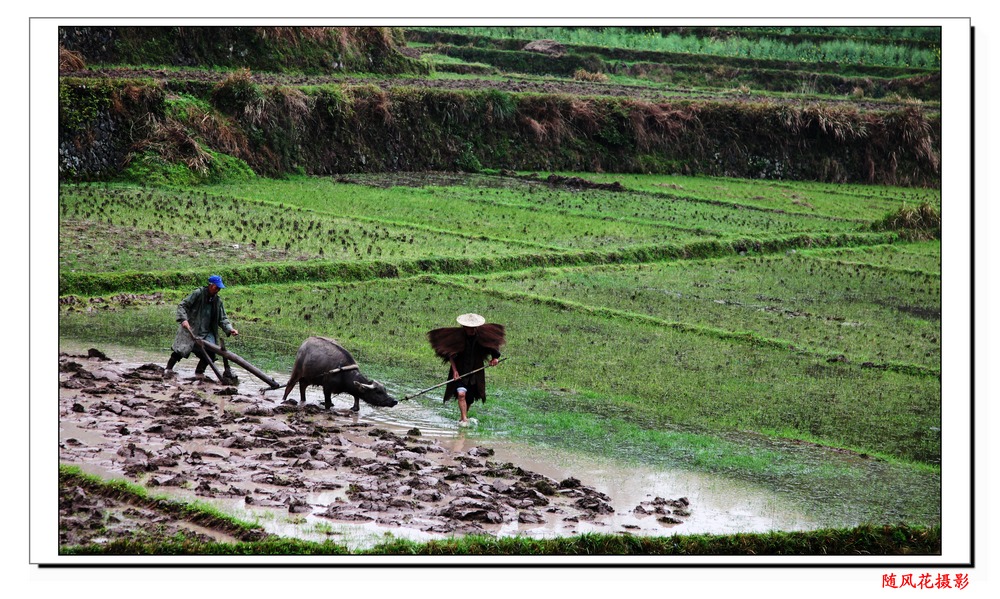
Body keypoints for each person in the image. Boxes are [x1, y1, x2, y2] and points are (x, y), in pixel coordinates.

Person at [427, 313, 505, 426]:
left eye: (474, 328)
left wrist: (495, 359)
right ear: (464, 327)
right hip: (460, 370)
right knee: (461, 394)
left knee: (469, 398)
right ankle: (464, 419)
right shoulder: (456, 337)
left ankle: (463, 416)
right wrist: (454, 371)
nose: (472, 330)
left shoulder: (482, 336)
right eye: (470, 328)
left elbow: (494, 351)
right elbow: (450, 355)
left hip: (476, 371)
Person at [165, 275, 238, 378]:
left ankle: (199, 374)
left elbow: (223, 319)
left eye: (219, 288)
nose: (218, 290)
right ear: (210, 285)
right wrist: (184, 319)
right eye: (216, 287)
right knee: (180, 350)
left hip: (207, 333)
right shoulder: (198, 293)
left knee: (211, 354)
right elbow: (182, 305)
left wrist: (230, 329)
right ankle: (168, 369)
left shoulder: (218, 301)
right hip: (192, 328)